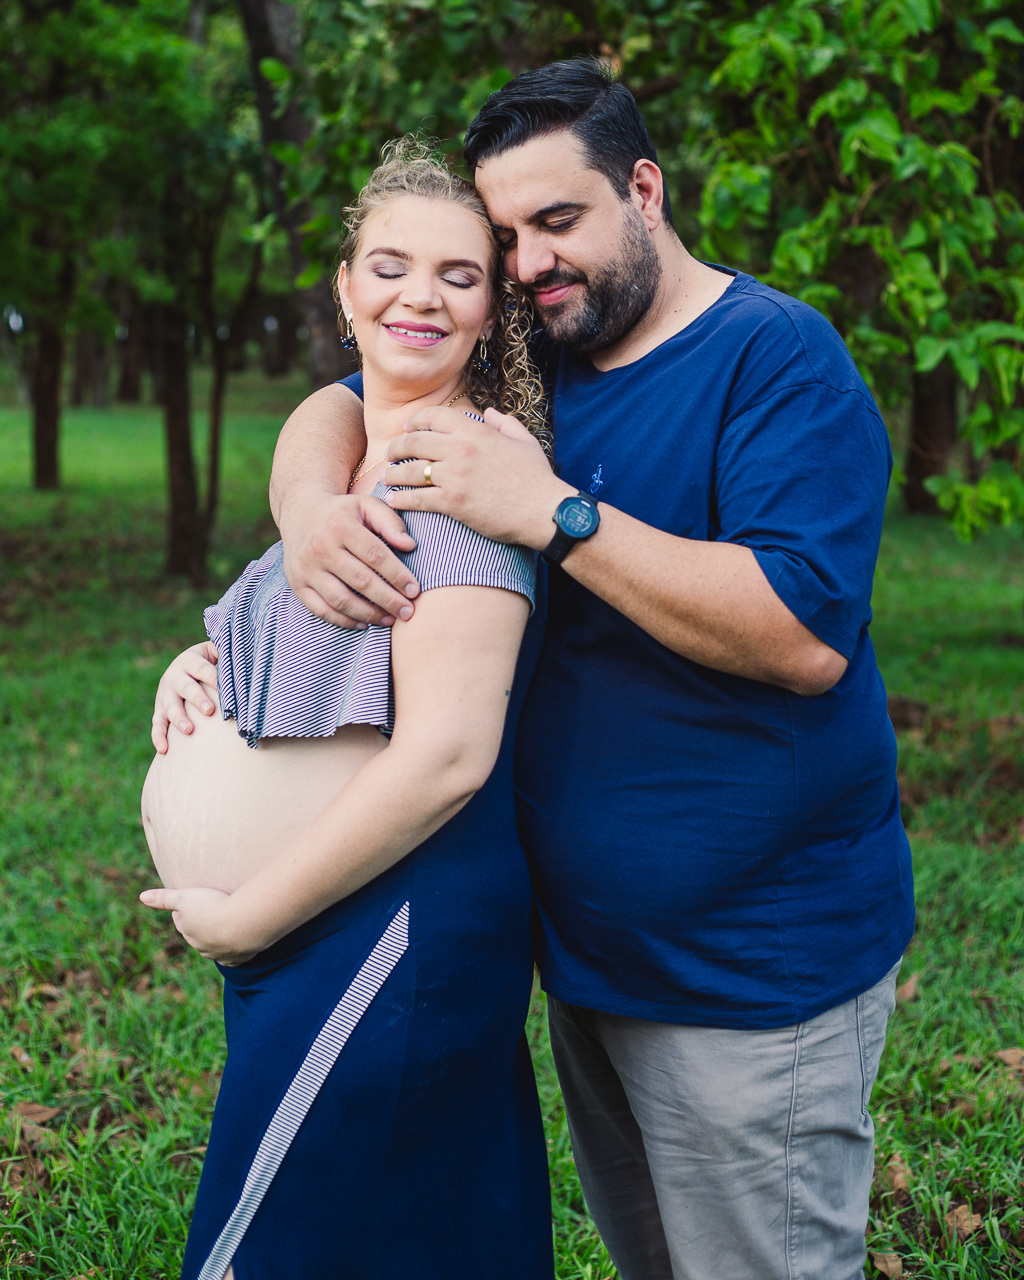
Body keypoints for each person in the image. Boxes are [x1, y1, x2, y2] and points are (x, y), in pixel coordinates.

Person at [157, 62, 915, 1280]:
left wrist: (552, 511)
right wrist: (304, 512)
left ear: (644, 190)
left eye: (555, 221)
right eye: (504, 236)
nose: (528, 261)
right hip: (583, 952)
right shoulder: (549, 351)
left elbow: (801, 634)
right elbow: (345, 401)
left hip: (746, 966)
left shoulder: (775, 358)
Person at [141, 139, 555, 1280]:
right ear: (343, 286)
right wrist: (207, 660)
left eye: (458, 276)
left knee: (262, 1248)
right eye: (389, 264)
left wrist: (248, 915)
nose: (418, 294)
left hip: (391, 928)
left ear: (491, 313)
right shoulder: (361, 456)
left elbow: (447, 758)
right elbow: (347, 657)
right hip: (338, 923)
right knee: (429, 1239)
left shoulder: (459, 472)